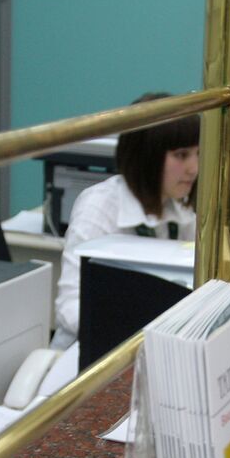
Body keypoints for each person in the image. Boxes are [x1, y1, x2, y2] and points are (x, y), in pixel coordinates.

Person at [52, 93, 199, 347]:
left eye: (197, 154)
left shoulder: (179, 211)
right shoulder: (99, 208)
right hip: (88, 355)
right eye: (181, 155)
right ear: (147, 155)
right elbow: (70, 307)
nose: (194, 168)